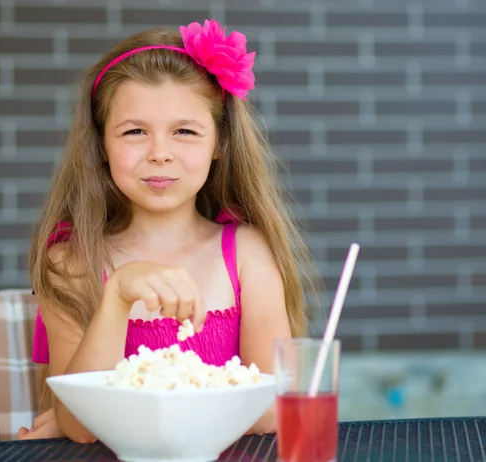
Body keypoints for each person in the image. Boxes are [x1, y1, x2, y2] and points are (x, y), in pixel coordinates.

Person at [16, 18, 319, 442]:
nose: (160, 153)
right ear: (101, 146)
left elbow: (271, 411)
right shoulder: (70, 261)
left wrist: (128, 417)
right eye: (135, 131)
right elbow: (81, 428)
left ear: (220, 145)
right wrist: (117, 295)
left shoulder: (248, 253)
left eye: (185, 132)